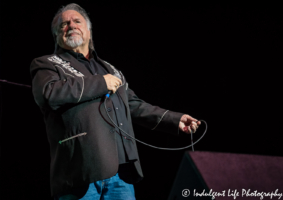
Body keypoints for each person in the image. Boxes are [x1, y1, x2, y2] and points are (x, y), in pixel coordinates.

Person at [30, 3, 201, 200]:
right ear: (56, 36)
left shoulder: (111, 70)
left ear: (89, 31)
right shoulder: (47, 63)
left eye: (77, 21)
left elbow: (135, 105)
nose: (70, 25)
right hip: (80, 171)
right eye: (63, 25)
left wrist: (173, 119)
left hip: (121, 174)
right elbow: (49, 94)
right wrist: (100, 83)